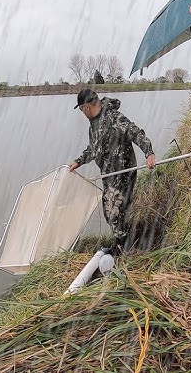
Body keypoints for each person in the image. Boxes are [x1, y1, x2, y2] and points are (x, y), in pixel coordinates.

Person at [69, 89, 156, 256]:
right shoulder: (93, 125)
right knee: (110, 211)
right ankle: (127, 241)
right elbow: (93, 149)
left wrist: (149, 152)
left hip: (123, 174)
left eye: (81, 109)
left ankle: (122, 249)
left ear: (86, 107)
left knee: (114, 212)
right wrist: (78, 162)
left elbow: (135, 132)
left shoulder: (114, 118)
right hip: (108, 176)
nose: (82, 113)